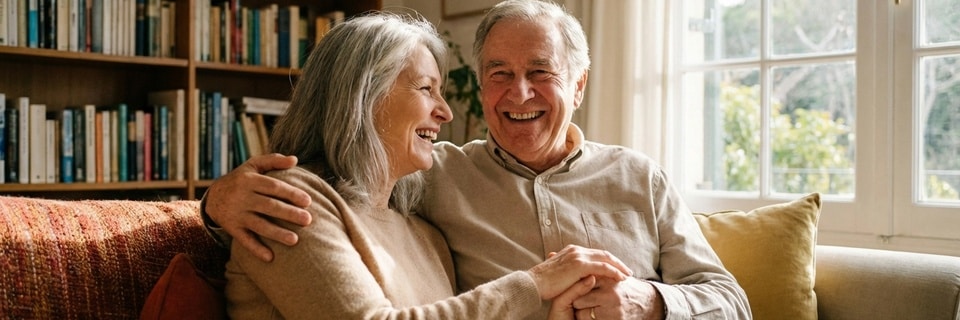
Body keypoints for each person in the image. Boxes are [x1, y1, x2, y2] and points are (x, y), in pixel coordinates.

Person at [205, 1, 752, 319]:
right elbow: (328, 190)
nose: (518, 93)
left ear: (579, 85)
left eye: (541, 72)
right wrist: (214, 202)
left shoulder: (639, 177)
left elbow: (732, 302)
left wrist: (645, 301)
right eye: (499, 74)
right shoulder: (430, 175)